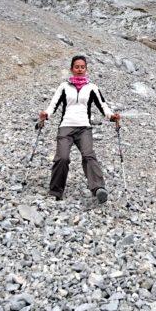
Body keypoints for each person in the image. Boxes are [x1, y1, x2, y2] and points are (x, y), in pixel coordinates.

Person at [39, 55, 121, 203]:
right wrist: (47, 114)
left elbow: (103, 105)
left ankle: (98, 189)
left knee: (89, 155)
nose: (79, 69)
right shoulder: (63, 86)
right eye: (76, 67)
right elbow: (53, 104)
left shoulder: (92, 87)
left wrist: (111, 116)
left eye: (82, 67)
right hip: (66, 126)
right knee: (62, 158)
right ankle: (56, 191)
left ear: (86, 69)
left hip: (84, 128)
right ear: (71, 69)